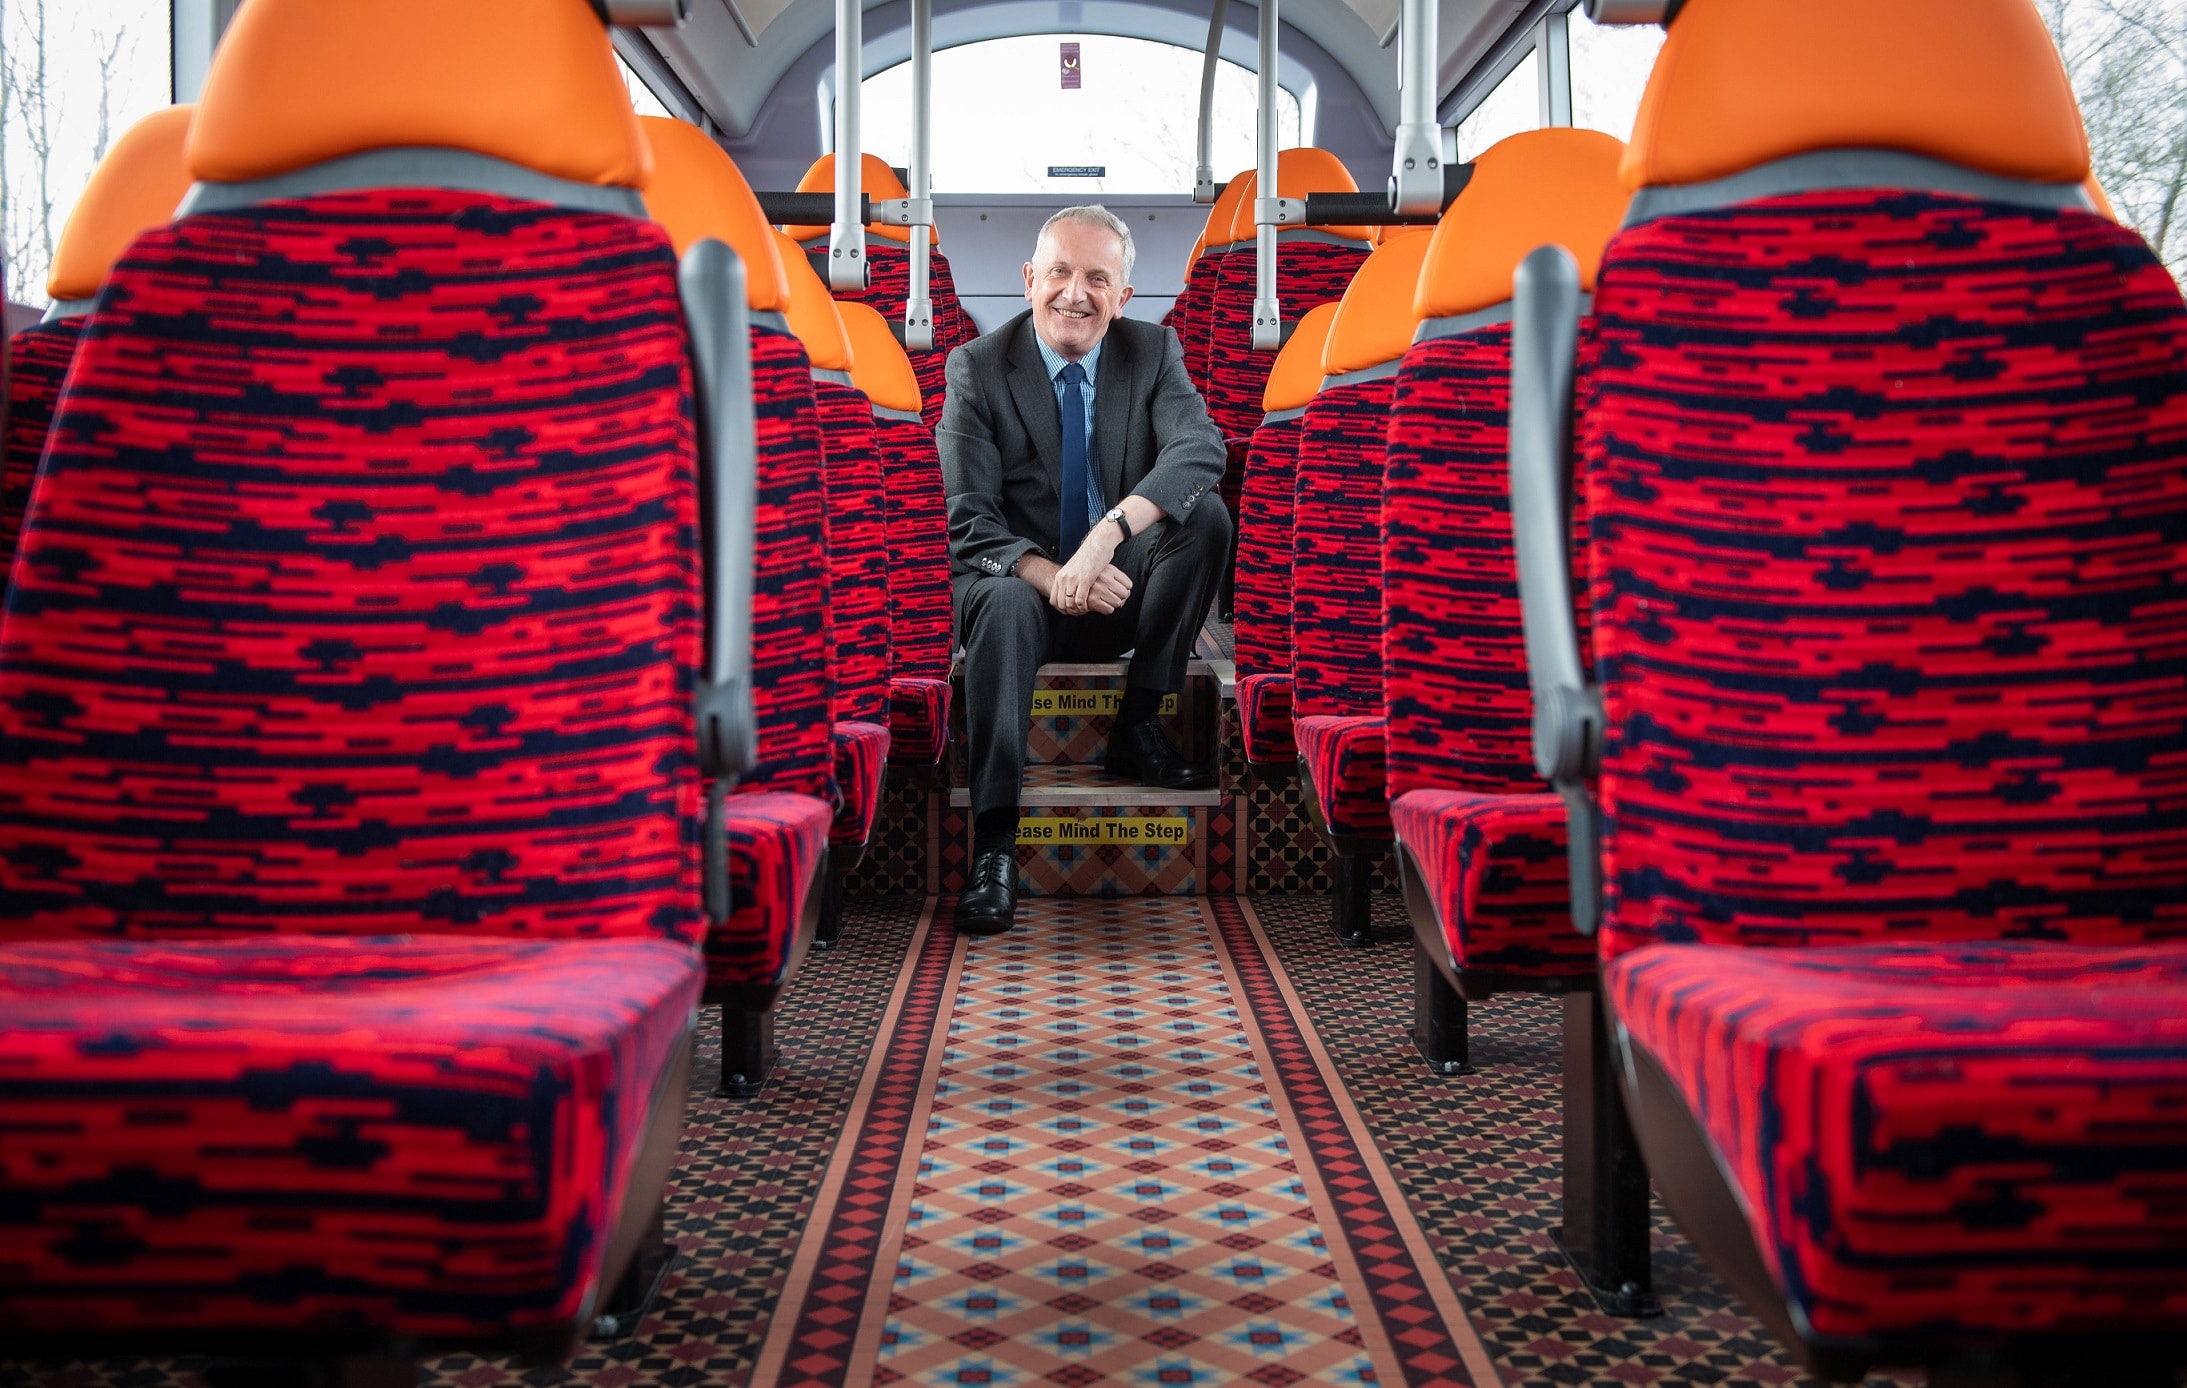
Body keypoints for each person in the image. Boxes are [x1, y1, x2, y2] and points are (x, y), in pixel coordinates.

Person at [938, 204, 1230, 937]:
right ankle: (995, 849)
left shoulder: (1152, 351)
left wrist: (1107, 535)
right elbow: (968, 518)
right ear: (1029, 279)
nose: (1076, 292)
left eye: (1097, 278)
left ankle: (1139, 723)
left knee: (1206, 517)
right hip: (1019, 589)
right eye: (1060, 272)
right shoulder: (975, 367)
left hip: (1116, 584)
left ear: (1123, 296)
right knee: (1001, 606)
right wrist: (1051, 573)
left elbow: (1199, 450)